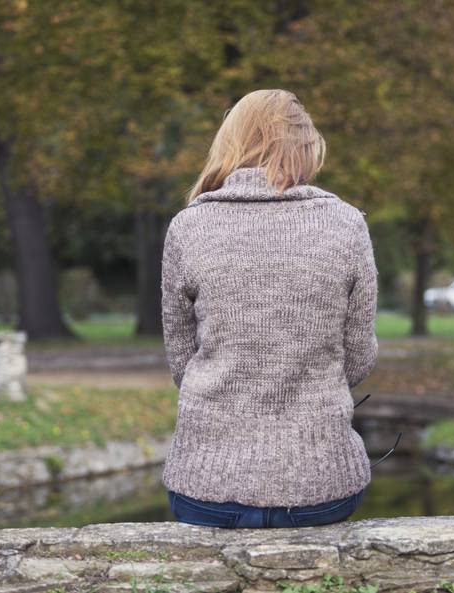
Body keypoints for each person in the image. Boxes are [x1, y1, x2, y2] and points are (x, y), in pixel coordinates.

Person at [160, 89, 379, 529]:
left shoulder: (188, 227)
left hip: (206, 490)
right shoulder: (347, 224)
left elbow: (182, 361)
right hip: (322, 489)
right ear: (306, 147)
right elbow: (357, 357)